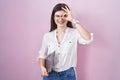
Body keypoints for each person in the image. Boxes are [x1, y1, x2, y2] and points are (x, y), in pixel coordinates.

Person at [38, 3, 93, 80]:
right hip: (50, 74)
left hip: (68, 75)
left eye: (64, 16)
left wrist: (73, 20)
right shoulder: (47, 36)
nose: (61, 19)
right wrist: (42, 67)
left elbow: (88, 39)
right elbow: (42, 55)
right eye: (58, 16)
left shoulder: (74, 33)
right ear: (53, 17)